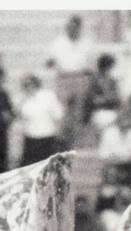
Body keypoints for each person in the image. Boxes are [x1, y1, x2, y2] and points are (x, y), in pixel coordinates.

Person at [48, 14, 95, 146]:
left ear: (79, 28)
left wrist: (87, 78)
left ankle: (74, 141)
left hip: (80, 77)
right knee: (62, 110)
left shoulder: (86, 42)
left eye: (76, 27)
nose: (73, 30)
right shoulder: (59, 42)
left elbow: (91, 63)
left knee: (78, 111)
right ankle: (61, 140)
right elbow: (50, 61)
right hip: (63, 78)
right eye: (70, 27)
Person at [17, 73, 65, 166]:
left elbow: (58, 115)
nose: (26, 87)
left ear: (35, 84)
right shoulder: (24, 99)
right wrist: (23, 99)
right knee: (29, 167)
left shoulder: (48, 96)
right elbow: (19, 116)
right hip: (30, 138)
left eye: (28, 84)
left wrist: (59, 135)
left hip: (46, 137)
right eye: (24, 85)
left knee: (46, 167)